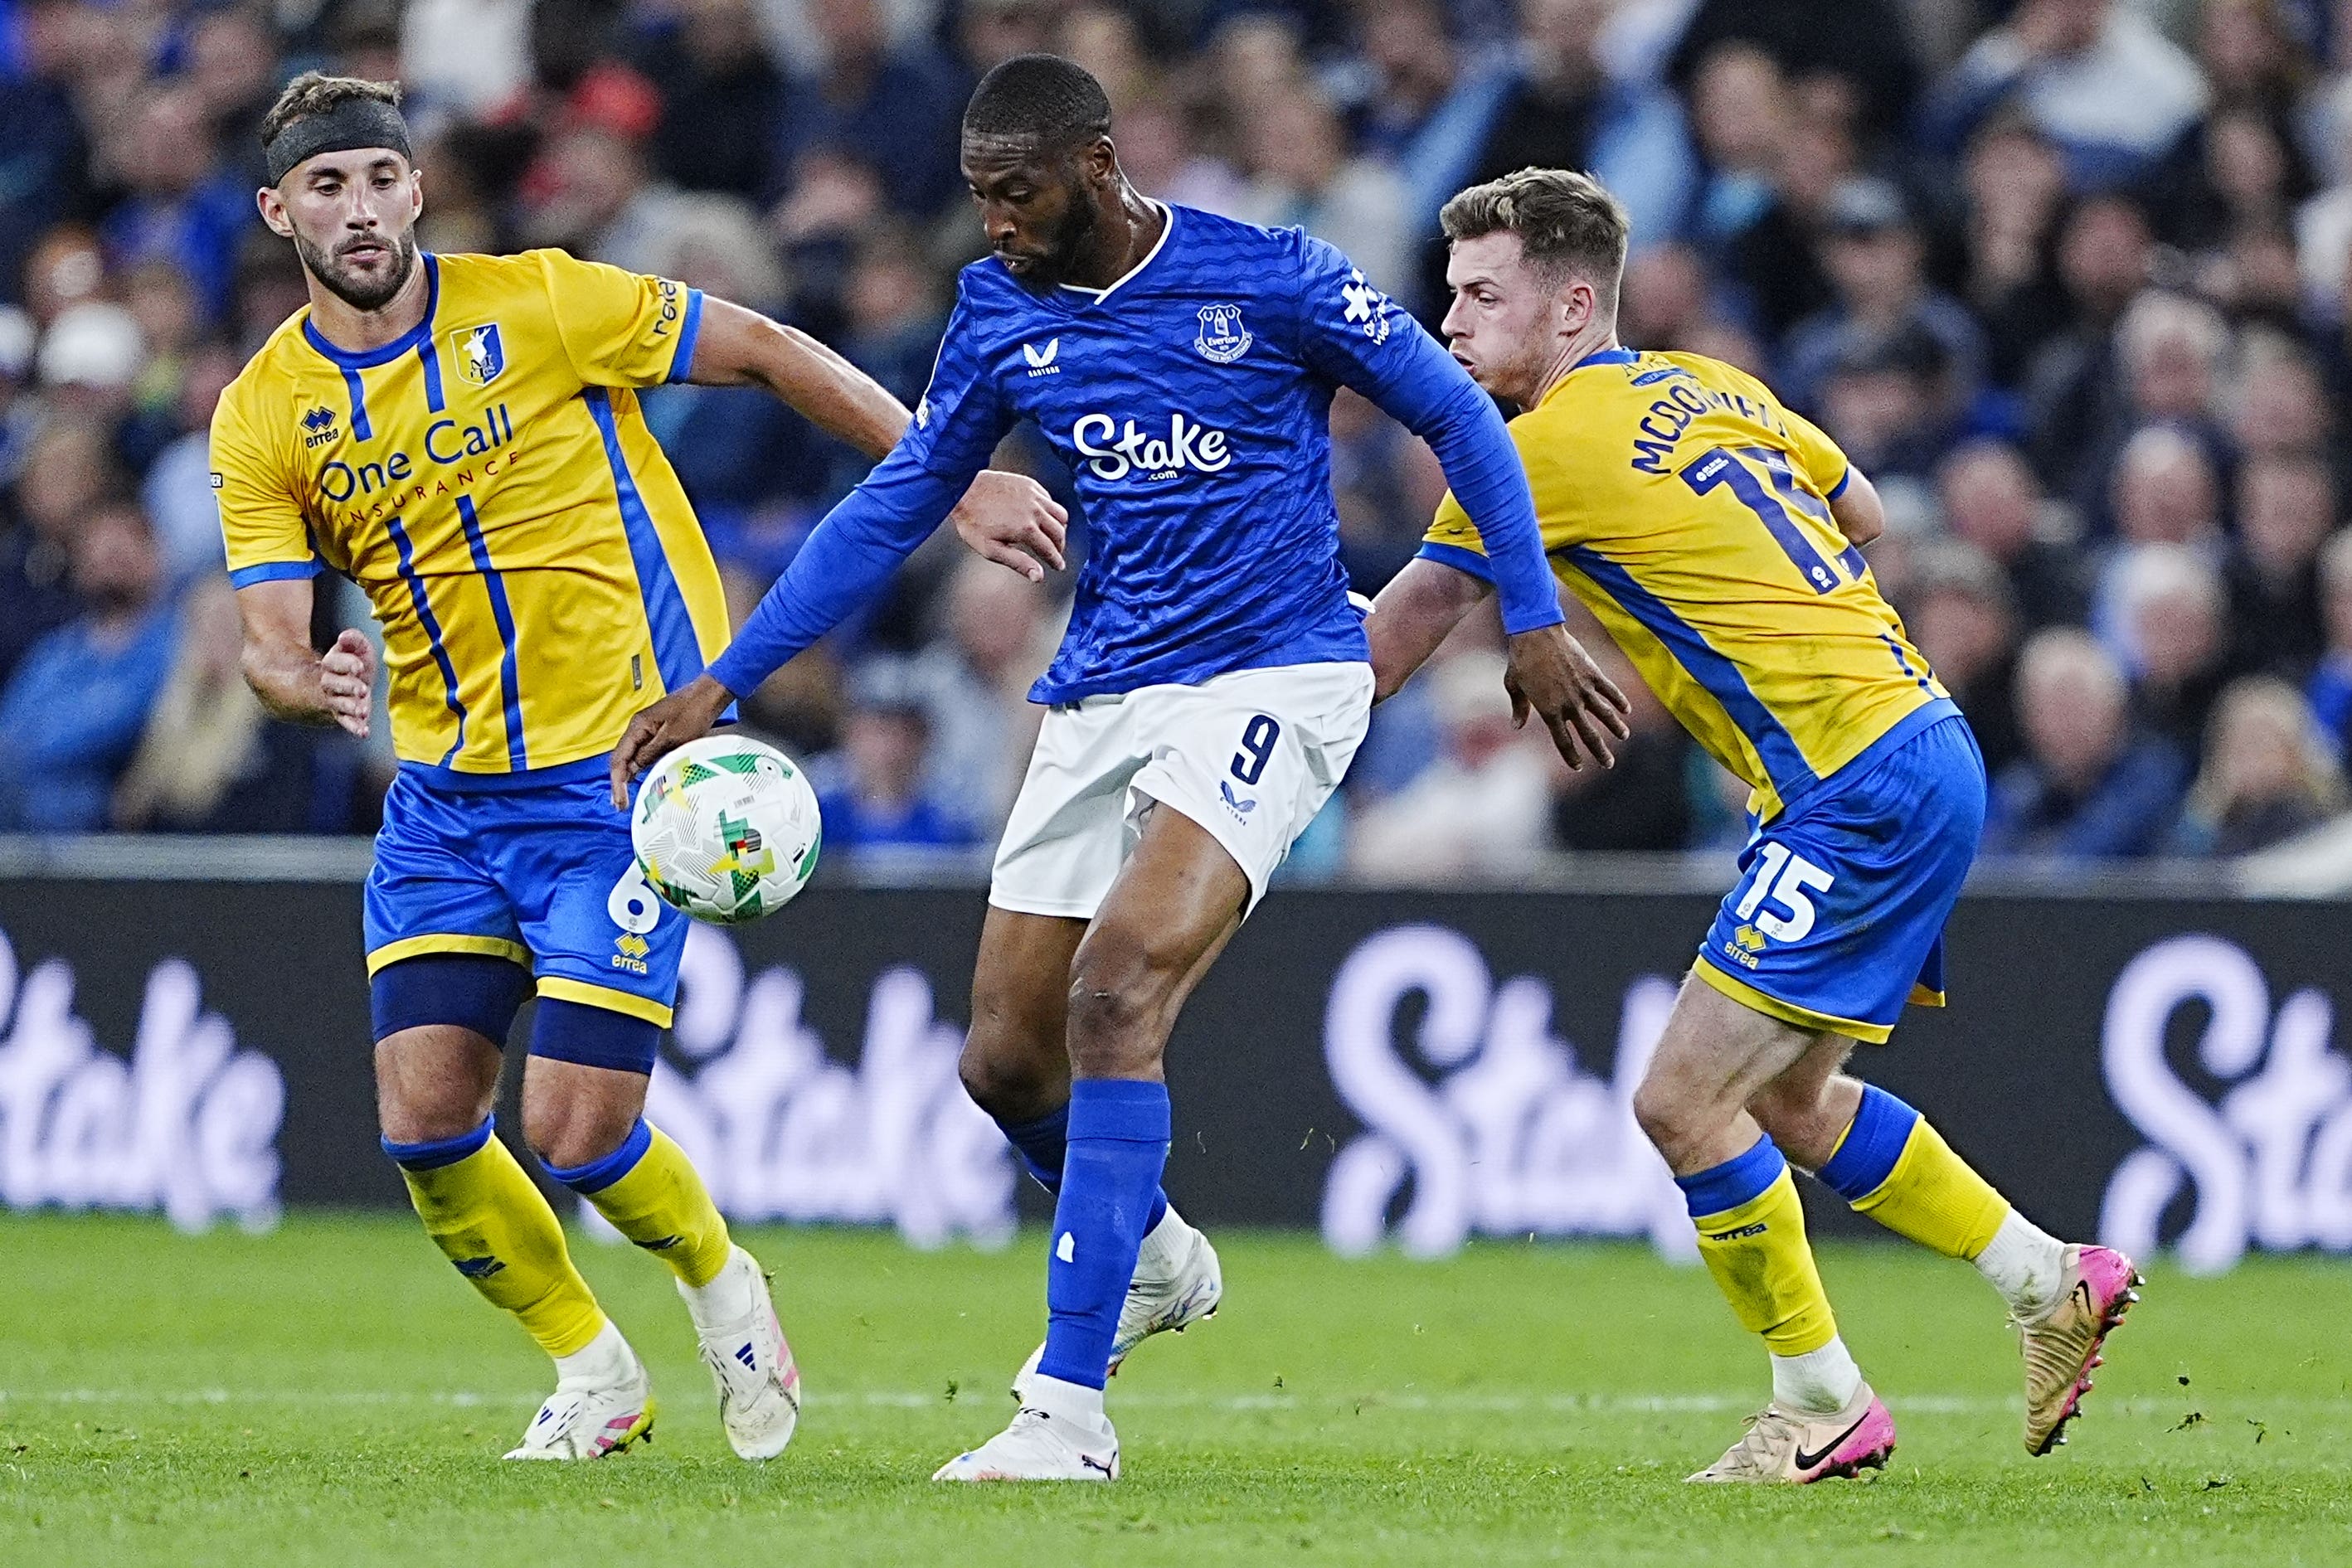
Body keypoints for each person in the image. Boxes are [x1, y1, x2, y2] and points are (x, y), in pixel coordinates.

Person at [610, 54, 1626, 1483]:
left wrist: (1529, 620)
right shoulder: (999, 309)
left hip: (1278, 670)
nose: (996, 224)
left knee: (1117, 989)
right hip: (1104, 692)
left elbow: (1460, 417)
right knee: (1002, 1059)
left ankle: (1065, 1414)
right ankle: (1148, 1253)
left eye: (1015, 194)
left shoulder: (1274, 277)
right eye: (975, 198)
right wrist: (729, 677)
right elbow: (902, 495)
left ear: (1096, 165)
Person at [211, 71, 1063, 1462]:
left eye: (379, 180)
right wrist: (300, 680)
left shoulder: (543, 302)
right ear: (278, 209)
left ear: (419, 188)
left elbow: (775, 349)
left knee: (574, 1125)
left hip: (619, 778)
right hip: (442, 800)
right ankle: (592, 1369)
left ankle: (721, 1278)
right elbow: (264, 638)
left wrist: (950, 476)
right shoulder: (261, 414)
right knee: (427, 1130)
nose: (358, 210)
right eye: (326, 187)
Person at [1368, 167, 2140, 1483]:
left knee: (1680, 1100)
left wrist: (1237, 705)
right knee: (1786, 1098)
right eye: (1449, 296)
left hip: (1856, 779)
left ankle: (1821, 1401)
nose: (1451, 324)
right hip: (1918, 743)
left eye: (1481, 297)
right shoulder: (1710, 381)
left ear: (1567, 306)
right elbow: (1865, 512)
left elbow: (1397, 638)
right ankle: (2046, 1279)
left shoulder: (1532, 447)